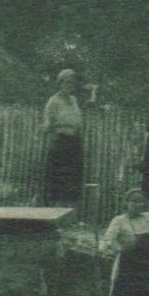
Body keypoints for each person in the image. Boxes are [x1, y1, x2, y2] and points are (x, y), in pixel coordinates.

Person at [41, 69, 84, 205]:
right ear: (60, 84)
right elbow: (48, 122)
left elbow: (78, 121)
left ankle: (69, 210)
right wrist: (48, 128)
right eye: (67, 83)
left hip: (74, 142)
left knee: (73, 177)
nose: (70, 86)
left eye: (72, 83)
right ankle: (56, 208)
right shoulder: (54, 101)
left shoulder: (74, 100)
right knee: (59, 177)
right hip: (60, 141)